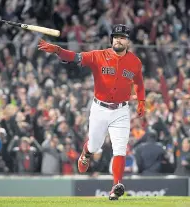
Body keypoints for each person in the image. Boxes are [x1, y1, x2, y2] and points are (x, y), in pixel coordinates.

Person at [38, 24, 145, 200]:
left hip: (121, 110)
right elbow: (74, 56)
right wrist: (58, 50)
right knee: (95, 146)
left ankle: (116, 186)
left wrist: (141, 100)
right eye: (116, 36)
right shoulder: (98, 55)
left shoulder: (135, 62)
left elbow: (139, 83)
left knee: (120, 149)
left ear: (128, 41)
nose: (119, 39)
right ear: (112, 40)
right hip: (100, 109)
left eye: (122, 37)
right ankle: (86, 152)